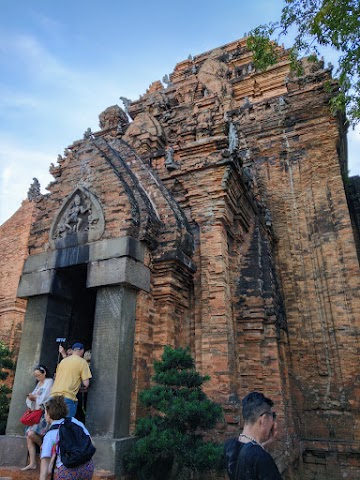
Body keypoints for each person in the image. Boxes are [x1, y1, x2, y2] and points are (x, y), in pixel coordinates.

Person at [224, 391, 283, 480]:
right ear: (263, 420)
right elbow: (254, 456)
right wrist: (261, 451)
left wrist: (263, 445)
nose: (273, 422)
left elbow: (246, 454)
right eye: (273, 416)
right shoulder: (262, 458)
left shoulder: (230, 446)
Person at [39, 396, 94, 480]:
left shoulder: (50, 434)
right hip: (87, 466)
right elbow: (89, 440)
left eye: (45, 412)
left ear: (49, 414)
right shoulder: (73, 421)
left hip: (68, 470)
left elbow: (45, 460)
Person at [21, 364, 53, 471]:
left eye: (38, 375)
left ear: (44, 373)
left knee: (31, 434)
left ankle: (42, 445)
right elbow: (34, 397)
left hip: (43, 413)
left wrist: (35, 397)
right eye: (35, 376)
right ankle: (32, 463)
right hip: (35, 412)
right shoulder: (39, 383)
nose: (37, 377)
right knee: (28, 436)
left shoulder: (49, 381)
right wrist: (31, 397)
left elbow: (46, 397)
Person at [50, 342, 92, 418]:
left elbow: (56, 377)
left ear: (72, 351)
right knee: (66, 424)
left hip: (54, 395)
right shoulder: (82, 362)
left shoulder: (63, 361)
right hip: (68, 397)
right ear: (82, 351)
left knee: (54, 423)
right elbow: (86, 383)